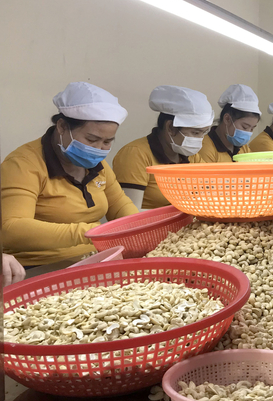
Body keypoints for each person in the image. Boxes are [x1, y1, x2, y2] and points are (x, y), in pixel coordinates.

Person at [1, 82, 138, 266]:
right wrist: (91, 233)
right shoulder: (24, 164)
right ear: (62, 127)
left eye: (107, 142)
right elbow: (12, 229)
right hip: (40, 266)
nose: (98, 149)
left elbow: (121, 207)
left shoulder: (98, 166)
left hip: (96, 259)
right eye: (91, 139)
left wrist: (137, 227)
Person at [113, 86, 213, 210]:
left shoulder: (190, 156)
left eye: (203, 133)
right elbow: (130, 213)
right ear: (170, 127)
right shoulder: (135, 154)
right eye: (195, 133)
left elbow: (209, 193)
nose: (200, 140)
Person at [199, 84, 261, 162]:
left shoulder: (243, 148)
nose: (248, 133)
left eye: (252, 129)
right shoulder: (206, 148)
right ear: (227, 119)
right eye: (244, 127)